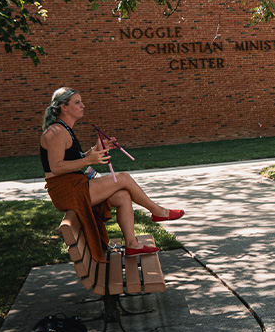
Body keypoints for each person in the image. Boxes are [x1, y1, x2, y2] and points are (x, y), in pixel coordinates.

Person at [40, 87, 184, 262]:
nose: (83, 106)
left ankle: (132, 244)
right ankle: (158, 211)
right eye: (77, 102)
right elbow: (56, 167)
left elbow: (74, 159)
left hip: (75, 185)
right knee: (123, 178)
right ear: (64, 107)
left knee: (123, 195)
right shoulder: (55, 132)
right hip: (66, 191)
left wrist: (96, 150)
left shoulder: (65, 129)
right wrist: (89, 160)